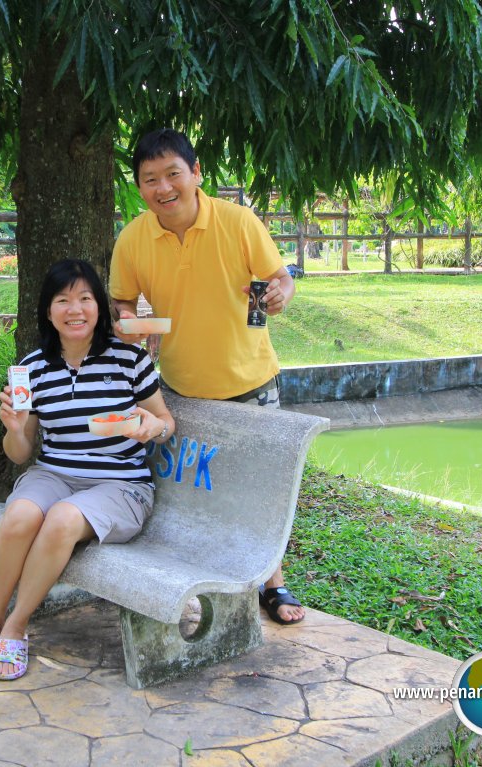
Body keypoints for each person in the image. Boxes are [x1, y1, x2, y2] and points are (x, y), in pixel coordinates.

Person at [109, 127, 306, 625]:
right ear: (140, 187)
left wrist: (282, 293)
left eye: (173, 173)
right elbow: (123, 300)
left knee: (260, 493)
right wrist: (131, 323)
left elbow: (278, 278)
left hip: (252, 383)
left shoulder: (239, 222)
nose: (163, 187)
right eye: (150, 179)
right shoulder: (133, 238)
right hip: (178, 391)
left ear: (196, 174)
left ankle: (273, 584)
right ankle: (195, 581)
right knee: (193, 493)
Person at [0, 258, 175, 680]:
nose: (74, 310)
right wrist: (16, 428)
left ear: (99, 307)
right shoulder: (33, 368)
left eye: (85, 298)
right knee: (19, 514)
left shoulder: (129, 360)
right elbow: (19, 454)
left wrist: (154, 427)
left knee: (60, 519)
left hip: (121, 483)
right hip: (54, 473)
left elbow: (166, 423)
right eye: (62, 300)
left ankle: (17, 629)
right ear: (48, 310)